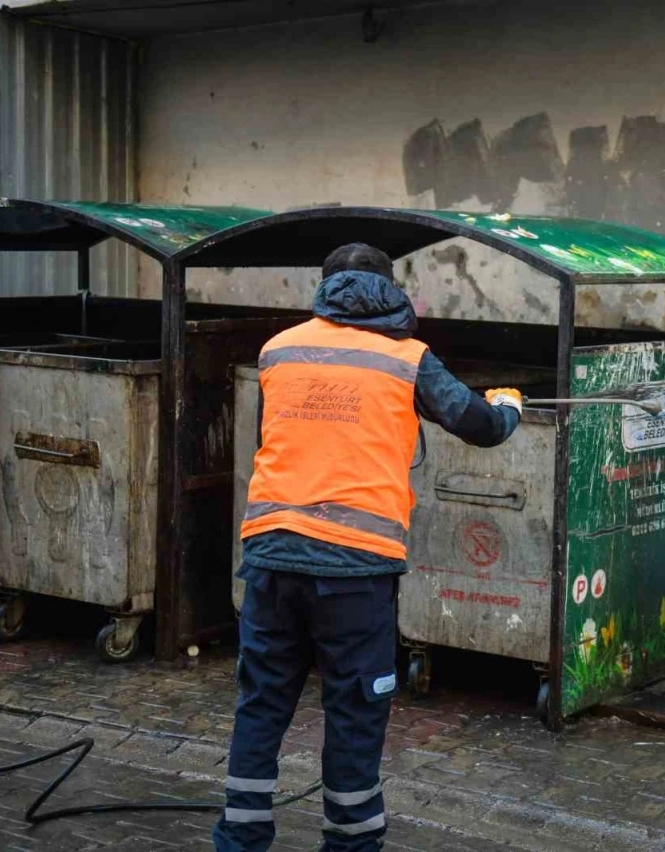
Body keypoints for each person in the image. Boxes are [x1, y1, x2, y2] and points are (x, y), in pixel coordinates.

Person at [213, 243, 522, 852]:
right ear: (391, 288)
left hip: (272, 556)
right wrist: (508, 406)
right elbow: (477, 426)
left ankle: (240, 839)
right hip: (354, 568)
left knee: (262, 702)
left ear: (325, 287)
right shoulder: (409, 359)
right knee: (355, 709)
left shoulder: (280, 350)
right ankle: (351, 844)